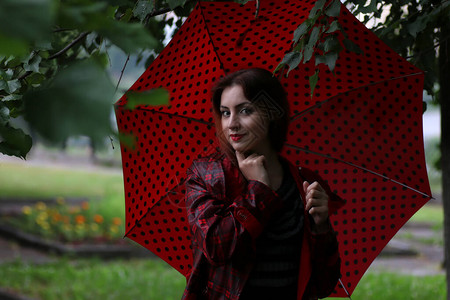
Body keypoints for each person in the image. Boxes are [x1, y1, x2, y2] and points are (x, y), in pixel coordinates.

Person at [182, 68, 345, 300]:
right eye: (225, 113)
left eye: (245, 110)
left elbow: (323, 284)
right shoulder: (207, 175)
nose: (231, 124)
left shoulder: (303, 183)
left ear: (272, 113)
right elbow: (216, 247)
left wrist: (321, 228)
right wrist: (259, 191)